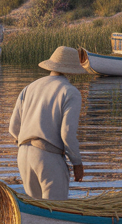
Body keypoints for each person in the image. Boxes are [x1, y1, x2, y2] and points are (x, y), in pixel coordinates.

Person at [7, 46, 89, 200]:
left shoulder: (29, 88)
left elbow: (13, 128)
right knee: (56, 212)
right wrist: (77, 163)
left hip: (23, 155)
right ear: (72, 70)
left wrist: (28, 145)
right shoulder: (70, 92)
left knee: (38, 211)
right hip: (47, 157)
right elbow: (67, 134)